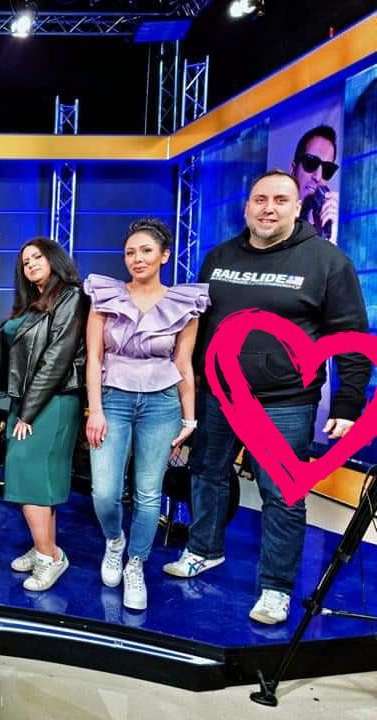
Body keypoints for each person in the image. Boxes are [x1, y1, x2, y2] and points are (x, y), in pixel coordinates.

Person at [163, 171, 370, 625]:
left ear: (297, 207)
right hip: (218, 395)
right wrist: (186, 391)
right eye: (259, 199)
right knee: (207, 475)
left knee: (282, 494)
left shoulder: (327, 261)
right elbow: (197, 330)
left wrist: (349, 404)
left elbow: (351, 336)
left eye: (280, 199)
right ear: (247, 207)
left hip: (285, 402)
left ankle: (276, 588)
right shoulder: (218, 258)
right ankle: (203, 550)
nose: (268, 208)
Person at [84, 219, 209, 611]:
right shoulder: (105, 295)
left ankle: (135, 562)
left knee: (149, 492)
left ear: (164, 256)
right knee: (104, 491)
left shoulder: (184, 303)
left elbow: (184, 364)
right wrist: (95, 409)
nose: (136, 258)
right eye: (130, 252)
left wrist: (189, 419)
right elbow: (94, 359)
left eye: (146, 251)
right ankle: (114, 541)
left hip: (162, 403)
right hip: (113, 399)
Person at [0, 238, 86, 593]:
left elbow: (57, 359)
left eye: (37, 257)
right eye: (25, 260)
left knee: (30, 478)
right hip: (28, 401)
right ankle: (43, 546)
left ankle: (50, 557)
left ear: (54, 259)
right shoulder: (32, 303)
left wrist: (28, 413)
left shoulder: (70, 296)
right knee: (37, 482)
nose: (30, 263)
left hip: (52, 401)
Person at [291, 124, 340, 243]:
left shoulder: (323, 234)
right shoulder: (271, 222)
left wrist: (327, 238)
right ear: (293, 169)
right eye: (311, 163)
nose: (318, 177)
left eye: (327, 169)